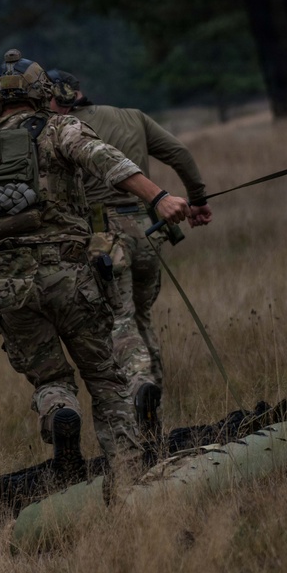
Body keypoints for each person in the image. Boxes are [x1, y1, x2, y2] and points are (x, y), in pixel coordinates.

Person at [0, 49, 191, 478]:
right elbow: (107, 160)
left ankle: (60, 412)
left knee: (50, 380)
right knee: (106, 379)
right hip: (70, 277)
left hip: (7, 287)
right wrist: (158, 197)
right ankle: (132, 476)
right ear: (41, 92)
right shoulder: (60, 128)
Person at [47, 69, 213, 436]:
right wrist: (197, 200)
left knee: (118, 321)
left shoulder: (58, 131)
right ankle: (155, 405)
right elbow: (180, 153)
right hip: (149, 231)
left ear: (51, 99)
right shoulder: (132, 116)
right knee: (141, 317)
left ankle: (139, 387)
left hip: (103, 237)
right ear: (79, 91)